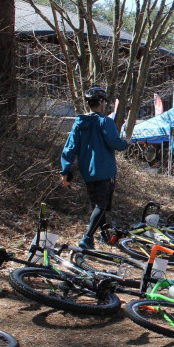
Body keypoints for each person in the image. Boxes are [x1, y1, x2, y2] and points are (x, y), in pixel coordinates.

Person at [60, 87, 129, 249]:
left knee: (98, 205)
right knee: (102, 205)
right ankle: (87, 238)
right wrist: (125, 143)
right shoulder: (106, 122)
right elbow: (115, 143)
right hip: (104, 170)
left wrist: (65, 170)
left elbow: (69, 148)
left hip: (87, 172)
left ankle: (103, 236)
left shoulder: (79, 123)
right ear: (102, 103)